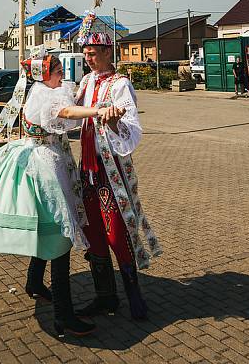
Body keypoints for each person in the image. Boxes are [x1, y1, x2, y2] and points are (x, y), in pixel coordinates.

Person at [0, 52, 107, 338]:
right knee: (60, 238)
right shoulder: (45, 95)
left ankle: (34, 283)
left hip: (48, 159)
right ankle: (64, 316)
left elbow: (69, 103)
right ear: (45, 74)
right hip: (46, 168)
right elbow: (67, 113)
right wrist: (98, 111)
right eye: (58, 70)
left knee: (47, 231)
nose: (62, 75)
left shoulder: (43, 89)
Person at [74, 30, 161, 322]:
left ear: (109, 52)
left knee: (116, 233)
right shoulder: (85, 82)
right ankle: (106, 298)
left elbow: (132, 128)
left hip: (109, 170)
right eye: (86, 52)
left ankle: (134, 295)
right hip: (87, 170)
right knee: (93, 233)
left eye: (93, 51)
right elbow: (71, 112)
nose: (88, 56)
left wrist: (112, 124)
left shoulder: (121, 84)